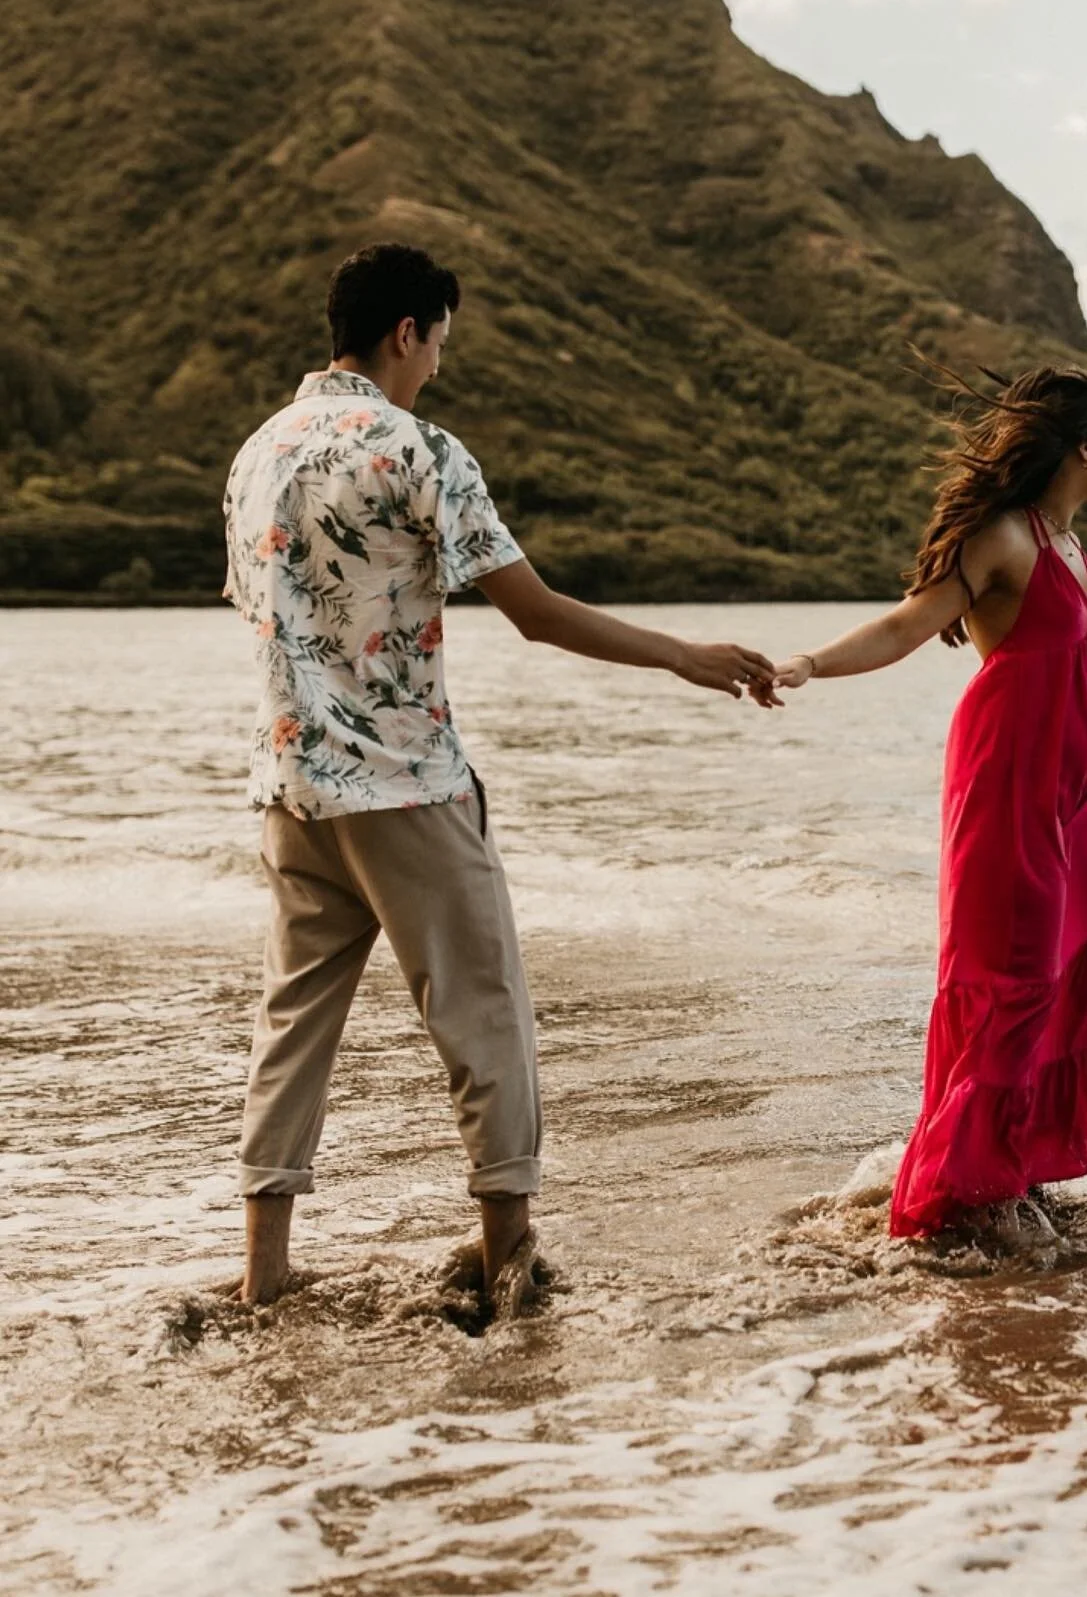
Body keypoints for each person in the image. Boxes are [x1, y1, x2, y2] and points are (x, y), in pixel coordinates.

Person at [224, 242, 773, 1304]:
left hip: (291, 788)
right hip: (407, 787)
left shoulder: (256, 454)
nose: (438, 366)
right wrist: (684, 654)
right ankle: (510, 1260)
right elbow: (535, 613)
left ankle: (264, 1277)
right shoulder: (417, 447)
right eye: (438, 344)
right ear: (407, 332)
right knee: (486, 1015)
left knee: (291, 1023)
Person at [754, 364, 1087, 1246]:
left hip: (1074, 795)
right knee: (1011, 978)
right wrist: (810, 661)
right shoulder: (1005, 537)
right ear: (1082, 447)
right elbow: (906, 624)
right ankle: (950, 1199)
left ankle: (1011, 1171)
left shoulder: (1071, 546)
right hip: (1005, 784)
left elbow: (1065, 666)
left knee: (1077, 975)